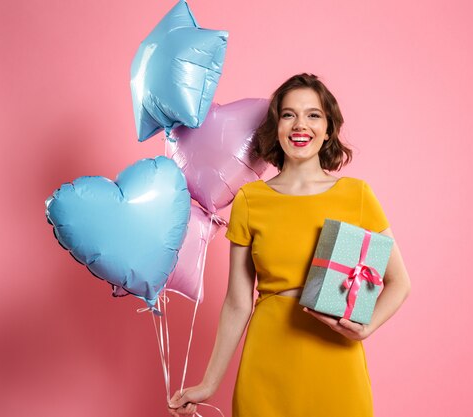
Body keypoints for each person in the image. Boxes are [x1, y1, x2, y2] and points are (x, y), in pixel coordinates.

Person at [168, 73, 411, 417]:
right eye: (288, 114)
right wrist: (209, 383)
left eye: (313, 115)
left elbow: (399, 282)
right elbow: (238, 302)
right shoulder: (251, 200)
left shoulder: (356, 195)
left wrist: (366, 328)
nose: (301, 124)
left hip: (337, 362)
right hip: (268, 364)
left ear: (328, 129)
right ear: (276, 127)